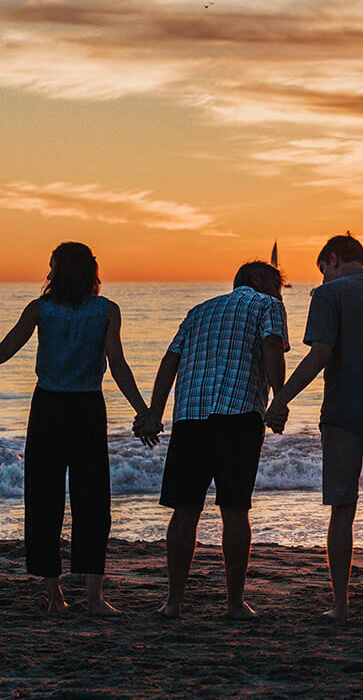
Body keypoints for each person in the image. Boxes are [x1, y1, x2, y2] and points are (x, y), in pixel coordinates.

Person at [0, 242, 151, 614]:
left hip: (51, 408)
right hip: (86, 407)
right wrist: (143, 411)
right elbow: (118, 365)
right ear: (91, 271)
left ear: (56, 270)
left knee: (44, 500)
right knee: (92, 502)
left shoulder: (43, 309)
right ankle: (93, 598)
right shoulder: (104, 310)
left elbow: (1, 352)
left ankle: (55, 595)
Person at [265, 233, 363, 623]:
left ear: (333, 260)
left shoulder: (328, 296)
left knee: (342, 510)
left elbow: (321, 353)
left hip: (344, 414)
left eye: (323, 270)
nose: (322, 279)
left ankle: (341, 605)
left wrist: (281, 398)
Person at [138, 261, 288, 620]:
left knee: (185, 510)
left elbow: (169, 361)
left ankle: (174, 601)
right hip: (239, 414)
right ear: (256, 280)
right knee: (235, 511)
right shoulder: (267, 305)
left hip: (191, 416)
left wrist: (154, 413)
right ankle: (235, 603)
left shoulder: (199, 310)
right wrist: (279, 398)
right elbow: (271, 346)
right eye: (277, 283)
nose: (280, 291)